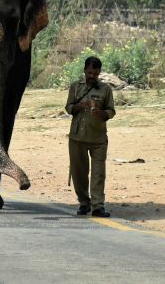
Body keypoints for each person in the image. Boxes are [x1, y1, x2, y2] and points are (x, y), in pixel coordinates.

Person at [65, 56, 116, 218]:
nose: (92, 75)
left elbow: (111, 111)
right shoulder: (75, 87)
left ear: (99, 72)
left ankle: (98, 206)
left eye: (95, 72)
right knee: (78, 172)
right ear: (84, 71)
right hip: (77, 138)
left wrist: (100, 113)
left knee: (98, 173)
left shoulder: (106, 89)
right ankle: (84, 203)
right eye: (89, 72)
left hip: (98, 138)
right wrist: (79, 106)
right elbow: (68, 107)